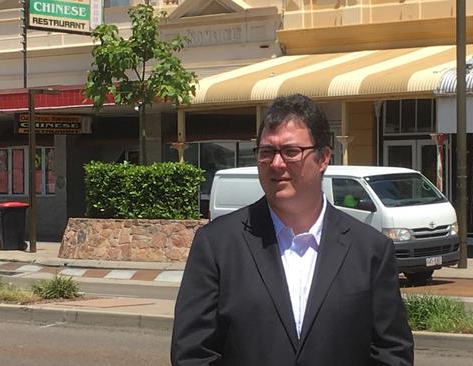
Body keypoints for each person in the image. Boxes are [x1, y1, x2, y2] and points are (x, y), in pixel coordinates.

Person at [171, 94, 414, 366]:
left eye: (290, 152)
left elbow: (392, 353)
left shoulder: (370, 250)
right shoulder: (217, 245)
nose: (276, 164)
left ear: (323, 158)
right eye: (267, 152)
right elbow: (192, 354)